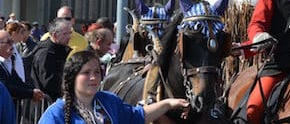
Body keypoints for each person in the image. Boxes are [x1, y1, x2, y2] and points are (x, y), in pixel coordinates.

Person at [39, 50, 189, 123]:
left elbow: (138, 115)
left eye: (97, 72)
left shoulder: (108, 101)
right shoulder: (56, 112)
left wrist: (168, 103)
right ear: (72, 77)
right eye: (86, 73)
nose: (93, 78)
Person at [31, 17, 73, 100]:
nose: (69, 37)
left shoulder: (60, 49)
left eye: (70, 33)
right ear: (54, 35)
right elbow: (49, 82)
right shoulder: (46, 52)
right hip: (46, 103)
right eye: (65, 34)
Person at [0, 30, 45, 102]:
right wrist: (30, 93)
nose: (12, 45)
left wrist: (33, 91)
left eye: (12, 41)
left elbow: (18, 82)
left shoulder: (7, 62)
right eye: (8, 42)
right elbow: (5, 87)